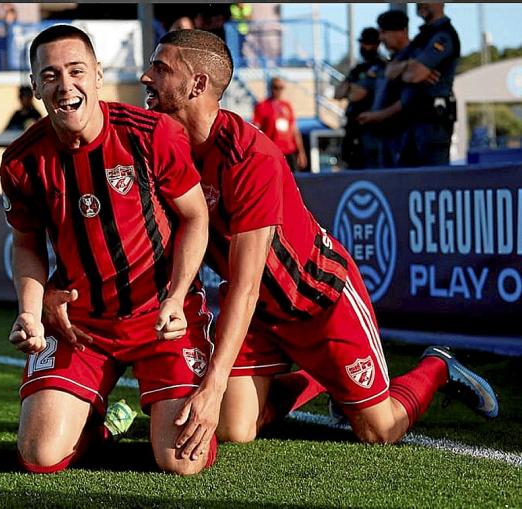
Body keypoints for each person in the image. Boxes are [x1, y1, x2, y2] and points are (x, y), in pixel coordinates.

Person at [140, 29, 498, 455]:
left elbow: (248, 284)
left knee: (379, 430)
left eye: (160, 68)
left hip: (319, 303)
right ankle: (322, 378)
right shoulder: (161, 145)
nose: (146, 77)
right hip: (261, 315)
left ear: (197, 84)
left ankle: (438, 364)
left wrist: (214, 383)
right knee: (236, 429)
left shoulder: (250, 158)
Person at [0, 24, 214, 475]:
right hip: (81, 323)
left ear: (97, 74)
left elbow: (196, 217)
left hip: (160, 319)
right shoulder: (21, 161)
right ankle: (98, 423)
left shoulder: (151, 135)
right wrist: (29, 310)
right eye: (51, 75)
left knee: (181, 461)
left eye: (76, 70)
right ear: (35, 86)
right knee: (40, 457)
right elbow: (27, 242)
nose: (65, 85)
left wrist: (176, 298)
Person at [389, 2, 460, 166]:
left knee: (433, 180)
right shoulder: (422, 37)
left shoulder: (444, 35)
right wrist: (411, 64)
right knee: (407, 178)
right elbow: (390, 71)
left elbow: (415, 75)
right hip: (413, 121)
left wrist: (412, 68)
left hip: (433, 122)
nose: (420, 3)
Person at [357, 10, 413, 168]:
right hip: (384, 135)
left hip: (403, 135)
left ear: (401, 32)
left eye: (384, 32)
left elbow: (407, 101)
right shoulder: (392, 60)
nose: (381, 38)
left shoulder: (413, 55)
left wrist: (378, 116)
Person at [334, 27, 384, 169]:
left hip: (370, 129)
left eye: (367, 43)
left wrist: (349, 89)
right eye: (362, 43)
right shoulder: (358, 69)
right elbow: (337, 93)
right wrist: (351, 87)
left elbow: (358, 94)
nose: (363, 47)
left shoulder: (380, 66)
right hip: (352, 129)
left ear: (376, 45)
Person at [253, 77, 307, 172]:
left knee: (293, 180)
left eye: (281, 88)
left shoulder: (287, 106)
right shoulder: (262, 106)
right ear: (270, 88)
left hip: (289, 151)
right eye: (275, 87)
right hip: (271, 151)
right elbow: (256, 130)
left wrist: (301, 152)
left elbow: (294, 130)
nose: (278, 91)